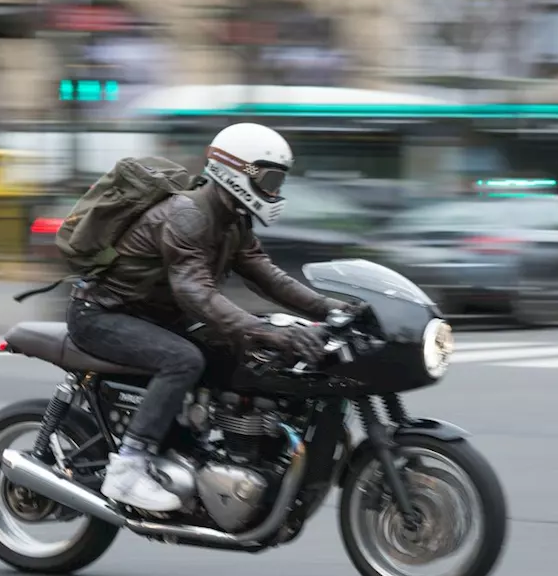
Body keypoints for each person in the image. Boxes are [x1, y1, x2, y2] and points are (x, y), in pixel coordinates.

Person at [67, 122, 354, 512]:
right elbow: (195, 292)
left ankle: (209, 452)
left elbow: (267, 276)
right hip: (104, 314)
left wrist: (333, 309)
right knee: (183, 359)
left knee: (249, 358)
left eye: (279, 182)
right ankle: (129, 467)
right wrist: (266, 330)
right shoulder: (188, 214)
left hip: (157, 317)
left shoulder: (233, 219)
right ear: (237, 171)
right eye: (270, 179)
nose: (274, 191)